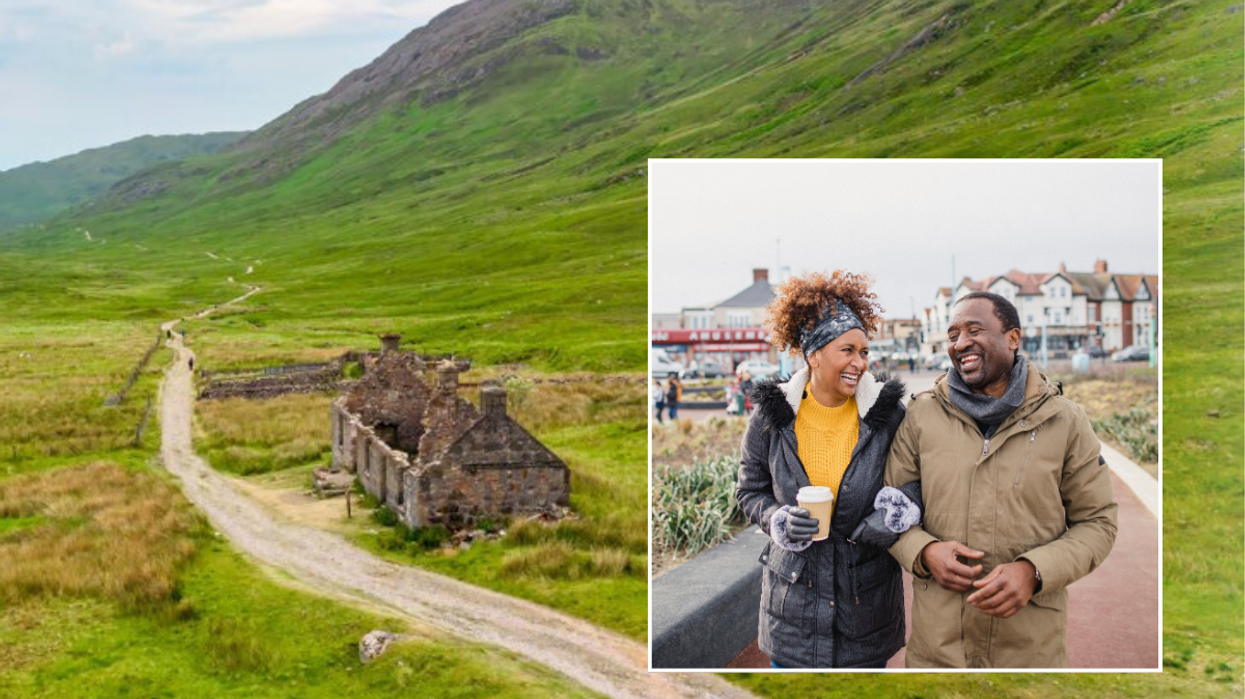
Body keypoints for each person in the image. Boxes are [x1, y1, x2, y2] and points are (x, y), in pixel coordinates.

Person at [884, 291, 1118, 669]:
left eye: (974, 330)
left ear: (1013, 338)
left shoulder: (1066, 421)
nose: (961, 343)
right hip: (938, 652)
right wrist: (924, 552)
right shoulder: (920, 415)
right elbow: (890, 507)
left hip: (1030, 653)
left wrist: (1035, 571)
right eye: (953, 335)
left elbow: (1098, 522)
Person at [736, 270, 920, 669]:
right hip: (792, 615)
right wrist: (778, 519)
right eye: (847, 350)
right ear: (813, 355)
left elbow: (917, 480)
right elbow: (749, 491)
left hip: (866, 610)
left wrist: (894, 513)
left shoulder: (888, 415)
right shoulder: (771, 416)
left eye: (864, 352)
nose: (860, 363)